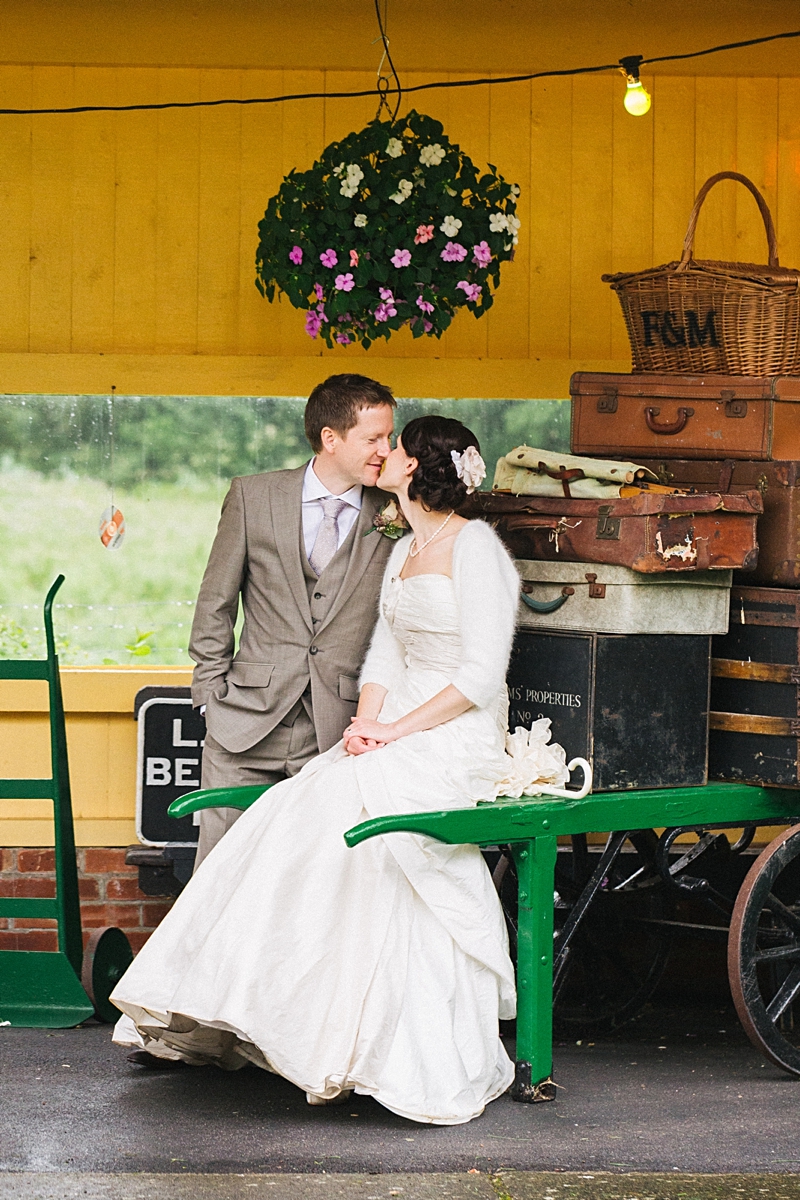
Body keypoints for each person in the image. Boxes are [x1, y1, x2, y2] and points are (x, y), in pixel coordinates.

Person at [112, 415, 523, 1126]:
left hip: (456, 733)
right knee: (292, 807)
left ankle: (374, 1039)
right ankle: (258, 1012)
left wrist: (395, 730)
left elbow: (482, 675)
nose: (382, 455)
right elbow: (386, 656)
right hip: (395, 726)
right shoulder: (407, 546)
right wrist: (366, 724)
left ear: (419, 466)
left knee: (362, 820)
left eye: (393, 446)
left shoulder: (477, 549)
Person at [188, 373, 397, 868]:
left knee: (313, 880)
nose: (385, 450)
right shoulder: (252, 496)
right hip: (242, 722)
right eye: (373, 438)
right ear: (331, 438)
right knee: (220, 873)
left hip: (336, 732)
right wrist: (209, 696)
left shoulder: (395, 510)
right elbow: (215, 603)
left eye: (389, 437)